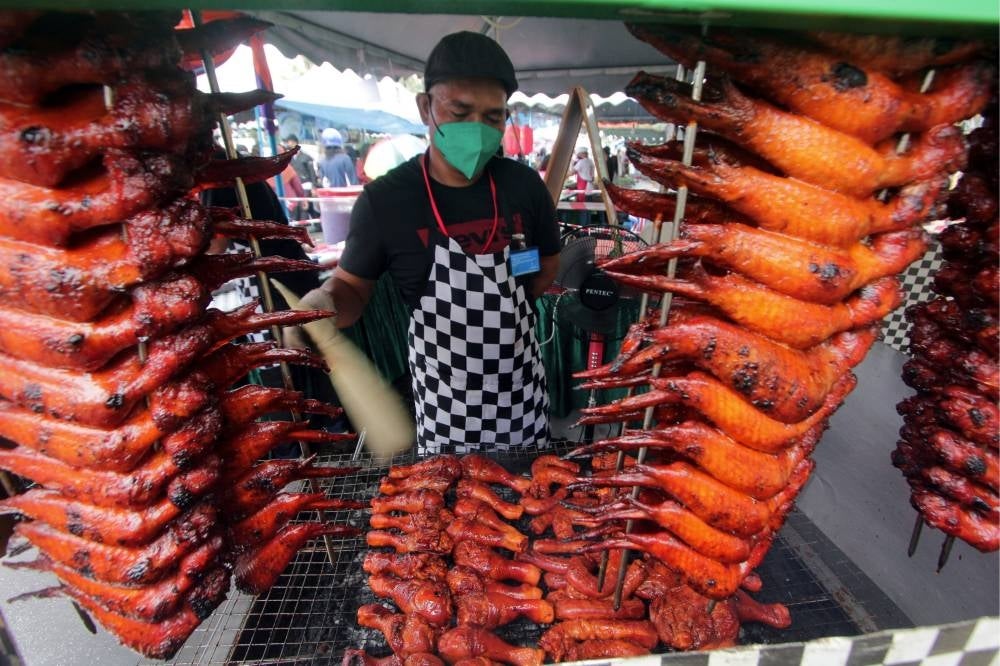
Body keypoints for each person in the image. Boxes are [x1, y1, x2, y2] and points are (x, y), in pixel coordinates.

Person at [289, 31, 561, 455]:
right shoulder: (387, 201)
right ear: (425, 107)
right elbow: (351, 289)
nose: (478, 128)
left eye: (493, 117)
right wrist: (320, 306)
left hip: (520, 391)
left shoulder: (523, 185)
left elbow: (545, 268)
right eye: (460, 111)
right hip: (444, 401)